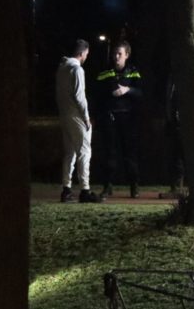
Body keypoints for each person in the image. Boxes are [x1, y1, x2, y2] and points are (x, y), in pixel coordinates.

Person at [94, 41, 144, 198]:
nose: (116, 57)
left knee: (130, 154)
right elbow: (97, 95)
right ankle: (107, 186)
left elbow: (141, 93)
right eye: (114, 53)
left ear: (127, 55)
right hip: (110, 118)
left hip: (128, 119)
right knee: (109, 154)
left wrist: (127, 90)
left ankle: (134, 186)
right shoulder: (105, 72)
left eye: (119, 54)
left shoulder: (133, 72)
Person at [55, 39, 101, 203]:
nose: (86, 57)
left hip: (64, 114)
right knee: (84, 151)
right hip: (76, 115)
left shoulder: (62, 68)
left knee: (70, 153)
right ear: (82, 53)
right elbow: (80, 96)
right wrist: (86, 117)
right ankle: (85, 190)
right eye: (86, 54)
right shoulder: (77, 69)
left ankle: (66, 189)